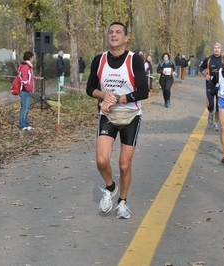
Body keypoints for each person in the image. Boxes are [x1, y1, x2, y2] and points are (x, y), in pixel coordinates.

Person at [86, 22, 149, 219]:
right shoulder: (99, 60)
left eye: (118, 32)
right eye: (111, 32)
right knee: (102, 159)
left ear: (126, 38)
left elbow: (143, 92)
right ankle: (110, 187)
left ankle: (122, 202)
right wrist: (104, 95)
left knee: (124, 164)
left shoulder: (134, 60)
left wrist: (117, 99)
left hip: (130, 116)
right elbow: (90, 89)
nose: (114, 35)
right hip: (108, 115)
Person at [199, 42, 223, 131]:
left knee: (218, 106)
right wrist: (206, 74)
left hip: (220, 85)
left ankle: (216, 123)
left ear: (221, 49)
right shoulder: (208, 59)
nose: (216, 49)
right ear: (213, 49)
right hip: (210, 83)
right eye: (215, 48)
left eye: (218, 48)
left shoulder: (223, 59)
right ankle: (210, 112)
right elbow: (201, 68)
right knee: (210, 105)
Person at [18, 51, 35, 131]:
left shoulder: (28, 66)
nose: (33, 59)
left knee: (26, 107)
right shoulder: (25, 67)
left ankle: (25, 123)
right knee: (24, 108)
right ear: (30, 57)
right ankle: (22, 124)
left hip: (27, 90)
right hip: (25, 90)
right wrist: (29, 88)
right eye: (32, 57)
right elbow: (24, 79)